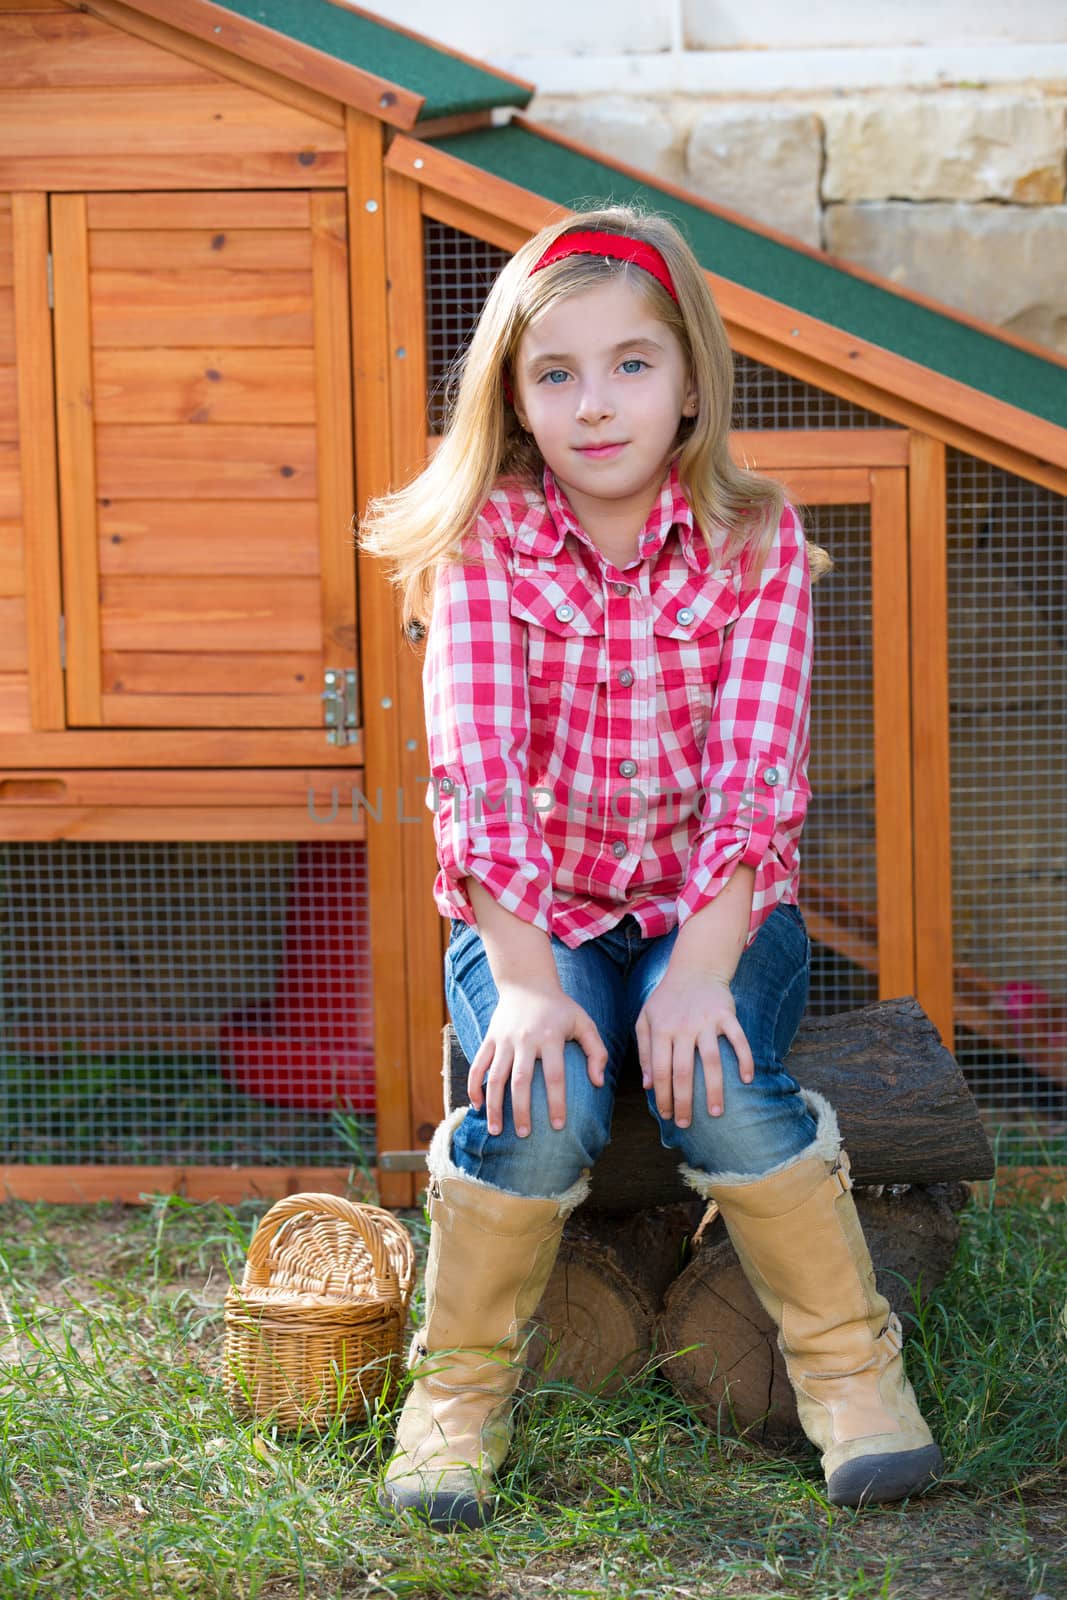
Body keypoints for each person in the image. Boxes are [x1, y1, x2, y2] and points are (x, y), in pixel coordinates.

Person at [358, 205, 941, 1528]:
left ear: (691, 383)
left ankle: (853, 1377)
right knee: (541, 1099)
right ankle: (456, 1394)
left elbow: (754, 780)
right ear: (512, 394)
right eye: (555, 373)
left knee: (720, 1086)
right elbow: (480, 780)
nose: (596, 403)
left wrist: (704, 966)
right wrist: (517, 980)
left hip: (718, 909)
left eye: (632, 364)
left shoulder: (757, 541)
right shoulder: (485, 547)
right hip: (534, 916)